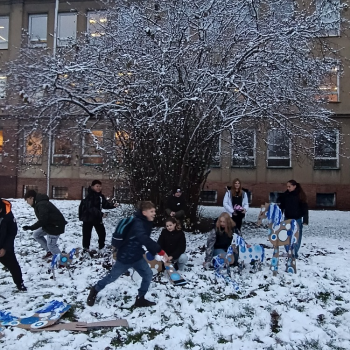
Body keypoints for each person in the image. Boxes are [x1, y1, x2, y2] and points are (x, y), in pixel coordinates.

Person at [87, 201, 170, 308]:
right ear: (144, 213)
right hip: (125, 257)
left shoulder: (145, 222)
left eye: (154, 211)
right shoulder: (138, 224)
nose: (154, 213)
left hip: (136, 256)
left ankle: (140, 299)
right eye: (151, 211)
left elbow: (143, 239)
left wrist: (152, 251)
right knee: (112, 277)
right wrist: (160, 251)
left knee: (148, 274)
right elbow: (144, 238)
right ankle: (95, 289)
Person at [23, 190, 67, 259]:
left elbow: (42, 220)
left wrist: (31, 227)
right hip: (49, 224)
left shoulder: (41, 204)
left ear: (31, 198)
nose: (27, 202)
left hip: (55, 226)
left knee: (51, 245)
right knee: (36, 234)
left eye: (27, 200)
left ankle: (63, 261)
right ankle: (50, 252)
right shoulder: (39, 203)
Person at [79, 180, 118, 253]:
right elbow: (90, 208)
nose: (99, 188)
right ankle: (86, 248)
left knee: (102, 233)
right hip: (88, 217)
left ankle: (101, 247)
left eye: (100, 186)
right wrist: (101, 214)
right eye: (97, 186)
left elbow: (105, 204)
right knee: (87, 234)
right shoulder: (89, 196)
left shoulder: (100, 196)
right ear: (92, 187)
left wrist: (112, 205)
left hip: (96, 218)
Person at [0, 198, 27, 291]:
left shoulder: (8, 216)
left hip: (5, 246)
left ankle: (20, 284)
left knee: (13, 266)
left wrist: (5, 248)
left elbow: (12, 233)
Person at [278, 180, 308, 258]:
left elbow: (305, 208)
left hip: (297, 219)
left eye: (289, 186)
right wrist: (278, 216)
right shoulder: (286, 195)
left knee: (296, 237)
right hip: (287, 218)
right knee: (286, 235)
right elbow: (282, 206)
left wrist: (305, 220)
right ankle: (288, 251)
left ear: (294, 186)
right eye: (287, 186)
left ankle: (294, 252)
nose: (288, 188)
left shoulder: (300, 195)